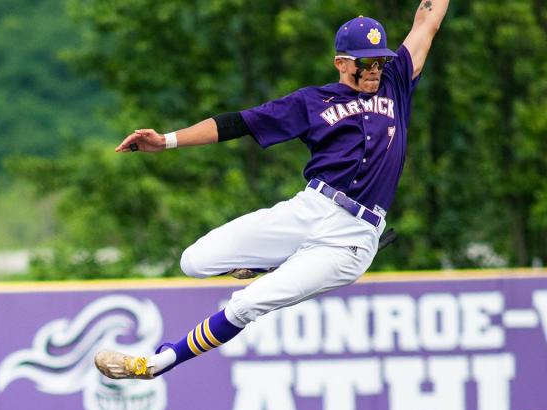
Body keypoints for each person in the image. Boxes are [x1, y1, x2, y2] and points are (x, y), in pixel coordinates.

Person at [94, 2, 449, 381]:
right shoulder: (312, 102)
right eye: (366, 62)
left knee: (248, 302)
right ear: (341, 63)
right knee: (194, 261)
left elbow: (427, 20)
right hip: (310, 208)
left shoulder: (395, 84)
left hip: (350, 240)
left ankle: (157, 363)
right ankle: (274, 260)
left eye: (379, 60)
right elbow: (239, 123)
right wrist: (165, 141)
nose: (375, 69)